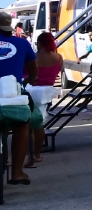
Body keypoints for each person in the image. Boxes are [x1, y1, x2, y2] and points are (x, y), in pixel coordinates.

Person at [0, 13, 39, 184]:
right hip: (12, 94)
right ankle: (17, 172)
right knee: (22, 125)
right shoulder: (22, 43)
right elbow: (33, 71)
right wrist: (29, 80)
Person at [26, 32, 63, 168]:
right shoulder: (59, 58)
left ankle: (29, 153)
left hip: (32, 91)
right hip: (47, 93)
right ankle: (37, 154)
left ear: (39, 43)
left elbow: (27, 74)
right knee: (39, 124)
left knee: (28, 125)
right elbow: (58, 72)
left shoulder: (33, 57)